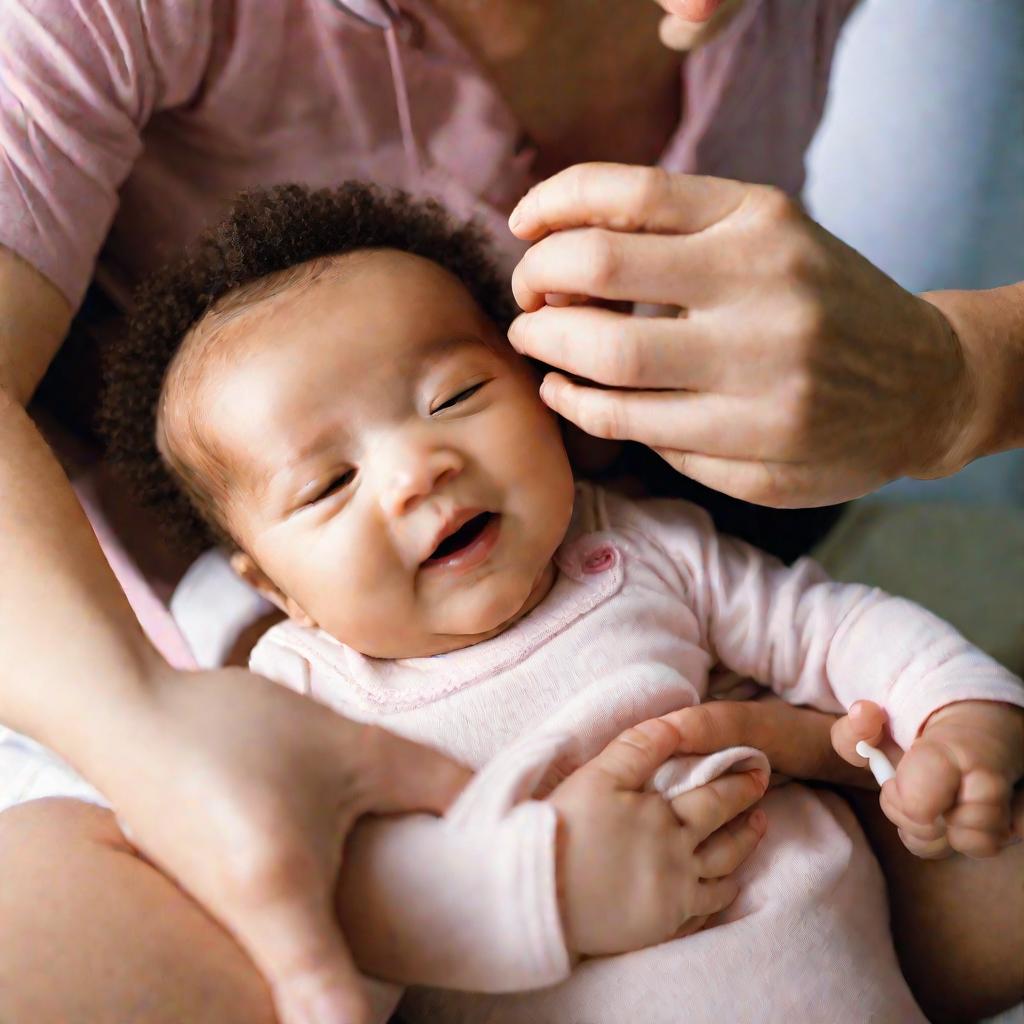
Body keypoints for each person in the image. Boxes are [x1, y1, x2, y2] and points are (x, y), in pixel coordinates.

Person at [0, 1, 1016, 1021]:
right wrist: (544, 887)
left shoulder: (639, 549)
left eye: (454, 399)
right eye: (330, 485)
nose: (417, 471)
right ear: (273, 586)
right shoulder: (305, 684)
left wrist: (952, 703)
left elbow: (828, 625)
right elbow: (359, 899)